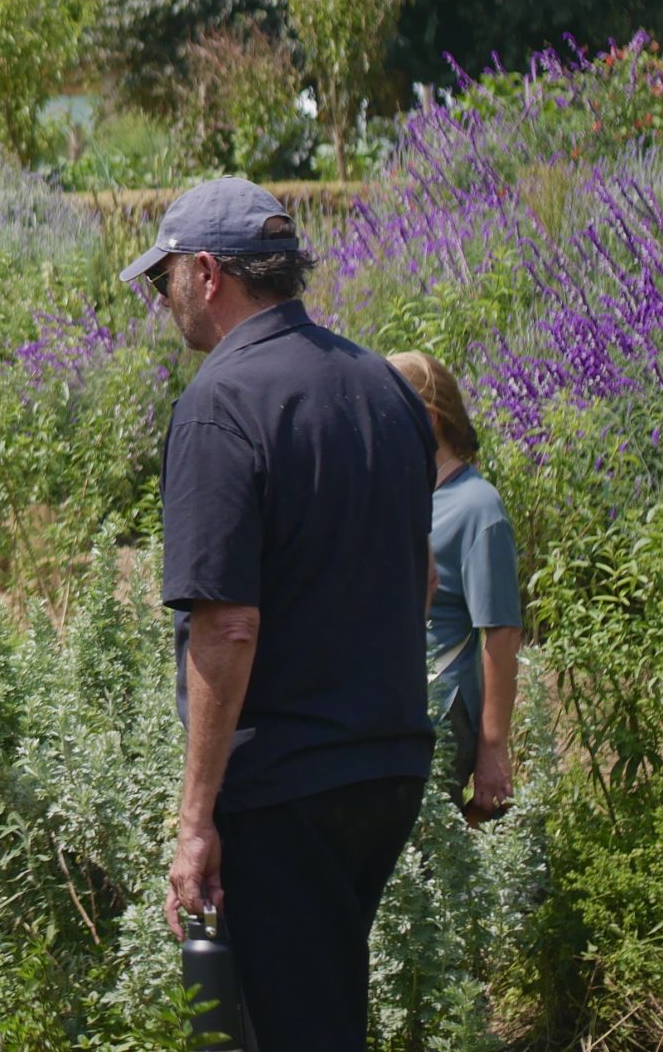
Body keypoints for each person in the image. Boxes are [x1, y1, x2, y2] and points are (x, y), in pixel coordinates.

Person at [130, 178, 437, 1052]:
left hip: (284, 782)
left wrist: (195, 821)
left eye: (164, 282)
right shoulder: (382, 386)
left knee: (287, 1024)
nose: (165, 302)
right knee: (322, 1002)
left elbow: (226, 626)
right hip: (386, 761)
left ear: (208, 273)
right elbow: (421, 576)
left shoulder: (221, 404)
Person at [390, 350, 522, 825]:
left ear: (426, 420)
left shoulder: (477, 508)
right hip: (395, 713)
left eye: (388, 411)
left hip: (441, 715)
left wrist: (491, 752)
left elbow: (502, 635)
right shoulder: (406, 493)